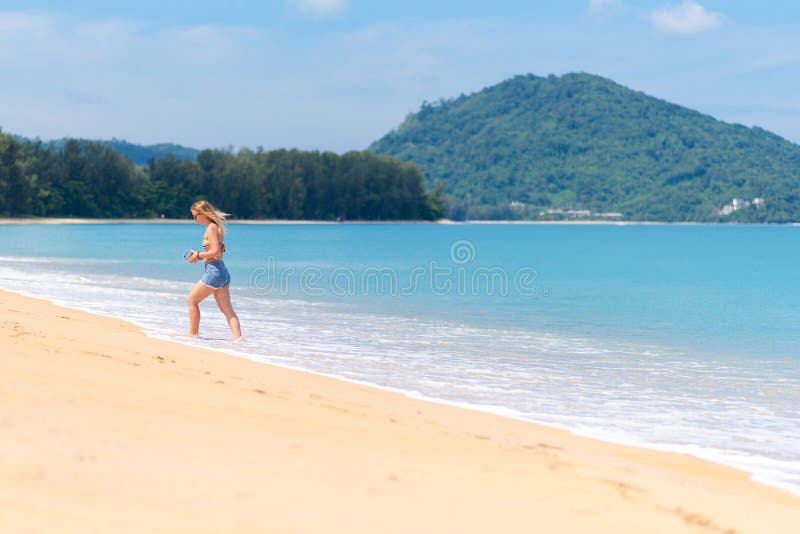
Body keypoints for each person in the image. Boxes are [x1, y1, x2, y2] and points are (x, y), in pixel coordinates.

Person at [186, 200, 242, 341]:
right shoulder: (217, 227)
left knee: (192, 300)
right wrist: (198, 254)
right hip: (222, 271)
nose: (194, 219)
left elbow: (215, 251)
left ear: (203, 213)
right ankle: (239, 341)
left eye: (195, 216)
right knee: (228, 311)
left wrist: (198, 255)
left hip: (214, 271)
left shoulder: (211, 227)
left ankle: (193, 335)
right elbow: (218, 250)